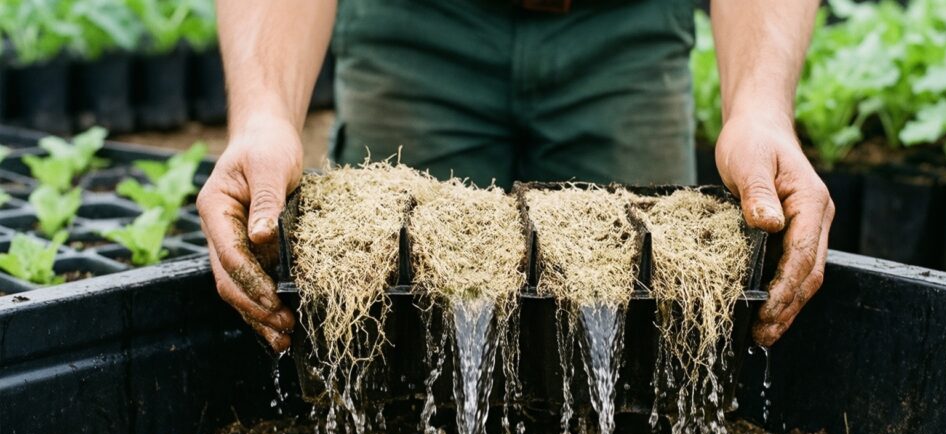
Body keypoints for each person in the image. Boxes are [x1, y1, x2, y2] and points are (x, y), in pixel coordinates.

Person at [197, 0, 834, 353]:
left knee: (653, 333)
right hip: (416, 31)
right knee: (387, 331)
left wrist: (759, 107)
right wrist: (265, 114)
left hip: (624, 33)